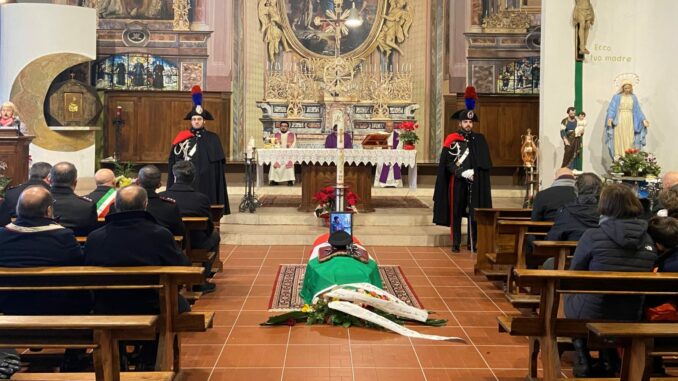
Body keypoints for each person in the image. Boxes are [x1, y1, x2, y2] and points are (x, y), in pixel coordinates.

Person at [84, 185, 191, 370]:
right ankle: (149, 358)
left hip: (106, 306)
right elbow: (183, 269)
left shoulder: (95, 237)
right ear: (146, 204)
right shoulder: (159, 234)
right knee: (179, 305)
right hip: (152, 304)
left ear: (115, 205)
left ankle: (120, 355)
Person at [565, 184, 657, 377]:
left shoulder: (592, 235)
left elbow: (574, 276)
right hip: (631, 310)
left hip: (594, 311)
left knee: (566, 292)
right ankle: (608, 357)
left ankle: (583, 355)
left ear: (604, 205)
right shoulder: (648, 238)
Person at [433, 109, 492, 253]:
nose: (468, 125)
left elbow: (484, 162)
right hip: (458, 181)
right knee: (456, 211)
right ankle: (456, 242)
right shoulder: (452, 139)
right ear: (459, 123)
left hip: (475, 182)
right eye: (465, 122)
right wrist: (461, 172)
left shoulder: (479, 139)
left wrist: (475, 173)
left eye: (470, 122)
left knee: (474, 212)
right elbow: (447, 163)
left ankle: (473, 242)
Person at [168, 85, 230, 215]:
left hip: (207, 180)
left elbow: (218, 166)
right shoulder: (182, 137)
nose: (196, 122)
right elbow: (175, 160)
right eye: (194, 119)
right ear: (190, 121)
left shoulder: (213, 138)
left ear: (204, 121)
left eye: (199, 119)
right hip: (186, 179)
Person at [161, 161, 218, 293]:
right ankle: (201, 279)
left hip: (171, 242)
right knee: (215, 236)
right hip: (196, 242)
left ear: (174, 177)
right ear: (193, 178)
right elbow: (208, 227)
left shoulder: (163, 197)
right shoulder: (201, 199)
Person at [546, 173, 602, 241]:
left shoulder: (566, 212)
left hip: (573, 251)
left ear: (576, 189)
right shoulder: (607, 212)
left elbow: (553, 239)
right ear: (599, 191)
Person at [49, 162, 98, 236]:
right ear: (75, 183)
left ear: (50, 181)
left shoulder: (38, 203)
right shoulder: (87, 206)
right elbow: (92, 233)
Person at [137, 165, 185, 238]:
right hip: (162, 247)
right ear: (159, 184)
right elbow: (180, 234)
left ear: (137, 182)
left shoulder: (128, 204)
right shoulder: (170, 207)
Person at [605, 81, 649, 158]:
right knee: (619, 137)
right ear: (622, 88)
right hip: (620, 119)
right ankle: (619, 157)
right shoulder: (617, 97)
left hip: (629, 120)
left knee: (630, 138)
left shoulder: (633, 97)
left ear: (631, 88)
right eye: (625, 88)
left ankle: (629, 157)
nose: (627, 89)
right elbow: (612, 108)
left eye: (629, 88)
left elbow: (637, 110)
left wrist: (643, 119)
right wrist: (610, 118)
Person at [0, 161, 51, 226]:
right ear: (48, 177)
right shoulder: (51, 192)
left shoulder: (11, 192)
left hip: (16, 233)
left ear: (30, 174)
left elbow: (3, 221)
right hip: (46, 234)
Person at [373, 120, 403, 188]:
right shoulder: (381, 135)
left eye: (391, 126)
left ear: (393, 127)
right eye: (388, 126)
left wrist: (393, 153)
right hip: (383, 155)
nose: (389, 128)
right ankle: (382, 182)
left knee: (396, 162)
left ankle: (395, 182)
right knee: (382, 162)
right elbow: (377, 147)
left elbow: (399, 146)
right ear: (385, 126)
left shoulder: (398, 135)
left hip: (395, 155)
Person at [269, 121, 296, 186]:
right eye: (282, 126)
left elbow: (294, 144)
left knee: (289, 162)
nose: (283, 127)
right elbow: (273, 144)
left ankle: (290, 180)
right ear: (280, 127)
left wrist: (288, 151)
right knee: (273, 162)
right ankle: (274, 180)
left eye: (285, 126)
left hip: (288, 154)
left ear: (288, 127)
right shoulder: (276, 135)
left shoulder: (292, 135)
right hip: (278, 154)